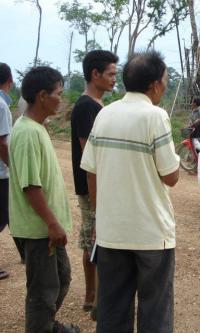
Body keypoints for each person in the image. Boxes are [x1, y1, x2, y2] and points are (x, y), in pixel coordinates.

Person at [81, 51, 180, 333]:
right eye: (164, 80)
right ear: (155, 85)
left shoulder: (105, 114)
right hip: (151, 235)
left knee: (112, 312)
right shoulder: (155, 116)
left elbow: (91, 170)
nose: (164, 86)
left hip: (112, 233)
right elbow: (171, 176)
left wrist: (100, 217)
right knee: (155, 313)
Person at [9, 66, 79, 332]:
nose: (60, 100)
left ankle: (47, 325)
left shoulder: (37, 128)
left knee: (61, 278)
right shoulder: (27, 132)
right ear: (42, 95)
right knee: (43, 290)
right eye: (58, 94)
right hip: (39, 230)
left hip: (46, 229)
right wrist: (51, 224)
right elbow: (30, 187)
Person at [70, 50, 118, 313]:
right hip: (92, 187)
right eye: (110, 74)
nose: (114, 80)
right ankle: (92, 296)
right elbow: (90, 156)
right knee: (93, 240)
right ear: (95, 74)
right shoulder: (86, 107)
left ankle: (98, 294)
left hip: (100, 186)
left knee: (97, 239)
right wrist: (98, 196)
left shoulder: (98, 106)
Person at [0, 63, 13, 280]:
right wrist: (13, 165)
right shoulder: (2, 105)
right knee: (3, 216)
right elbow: (2, 142)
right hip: (0, 173)